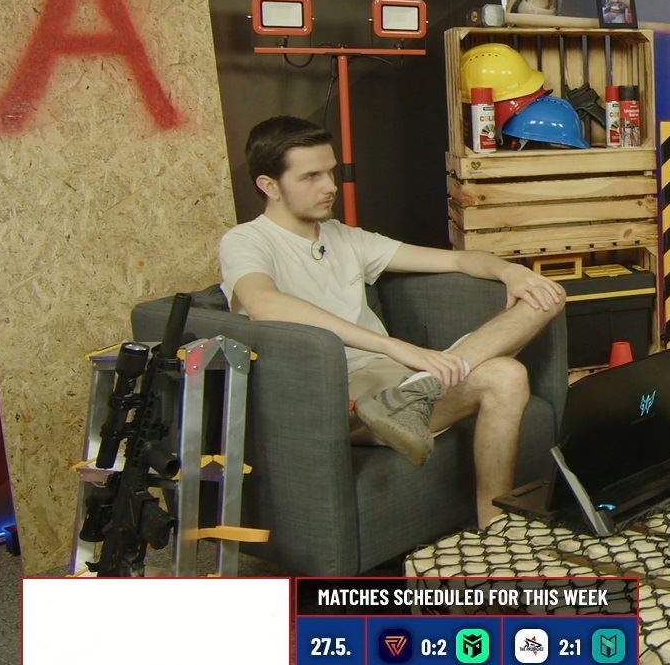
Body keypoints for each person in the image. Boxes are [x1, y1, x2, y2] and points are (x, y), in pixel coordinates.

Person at [217, 116, 566, 528]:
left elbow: (457, 260)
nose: (329, 186)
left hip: (397, 384)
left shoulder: (344, 237)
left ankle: (494, 528)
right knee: (502, 372)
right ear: (269, 186)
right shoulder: (246, 241)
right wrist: (392, 346)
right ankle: (417, 392)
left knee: (542, 306)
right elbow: (262, 302)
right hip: (338, 396)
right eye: (310, 176)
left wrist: (510, 272)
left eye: (330, 172)